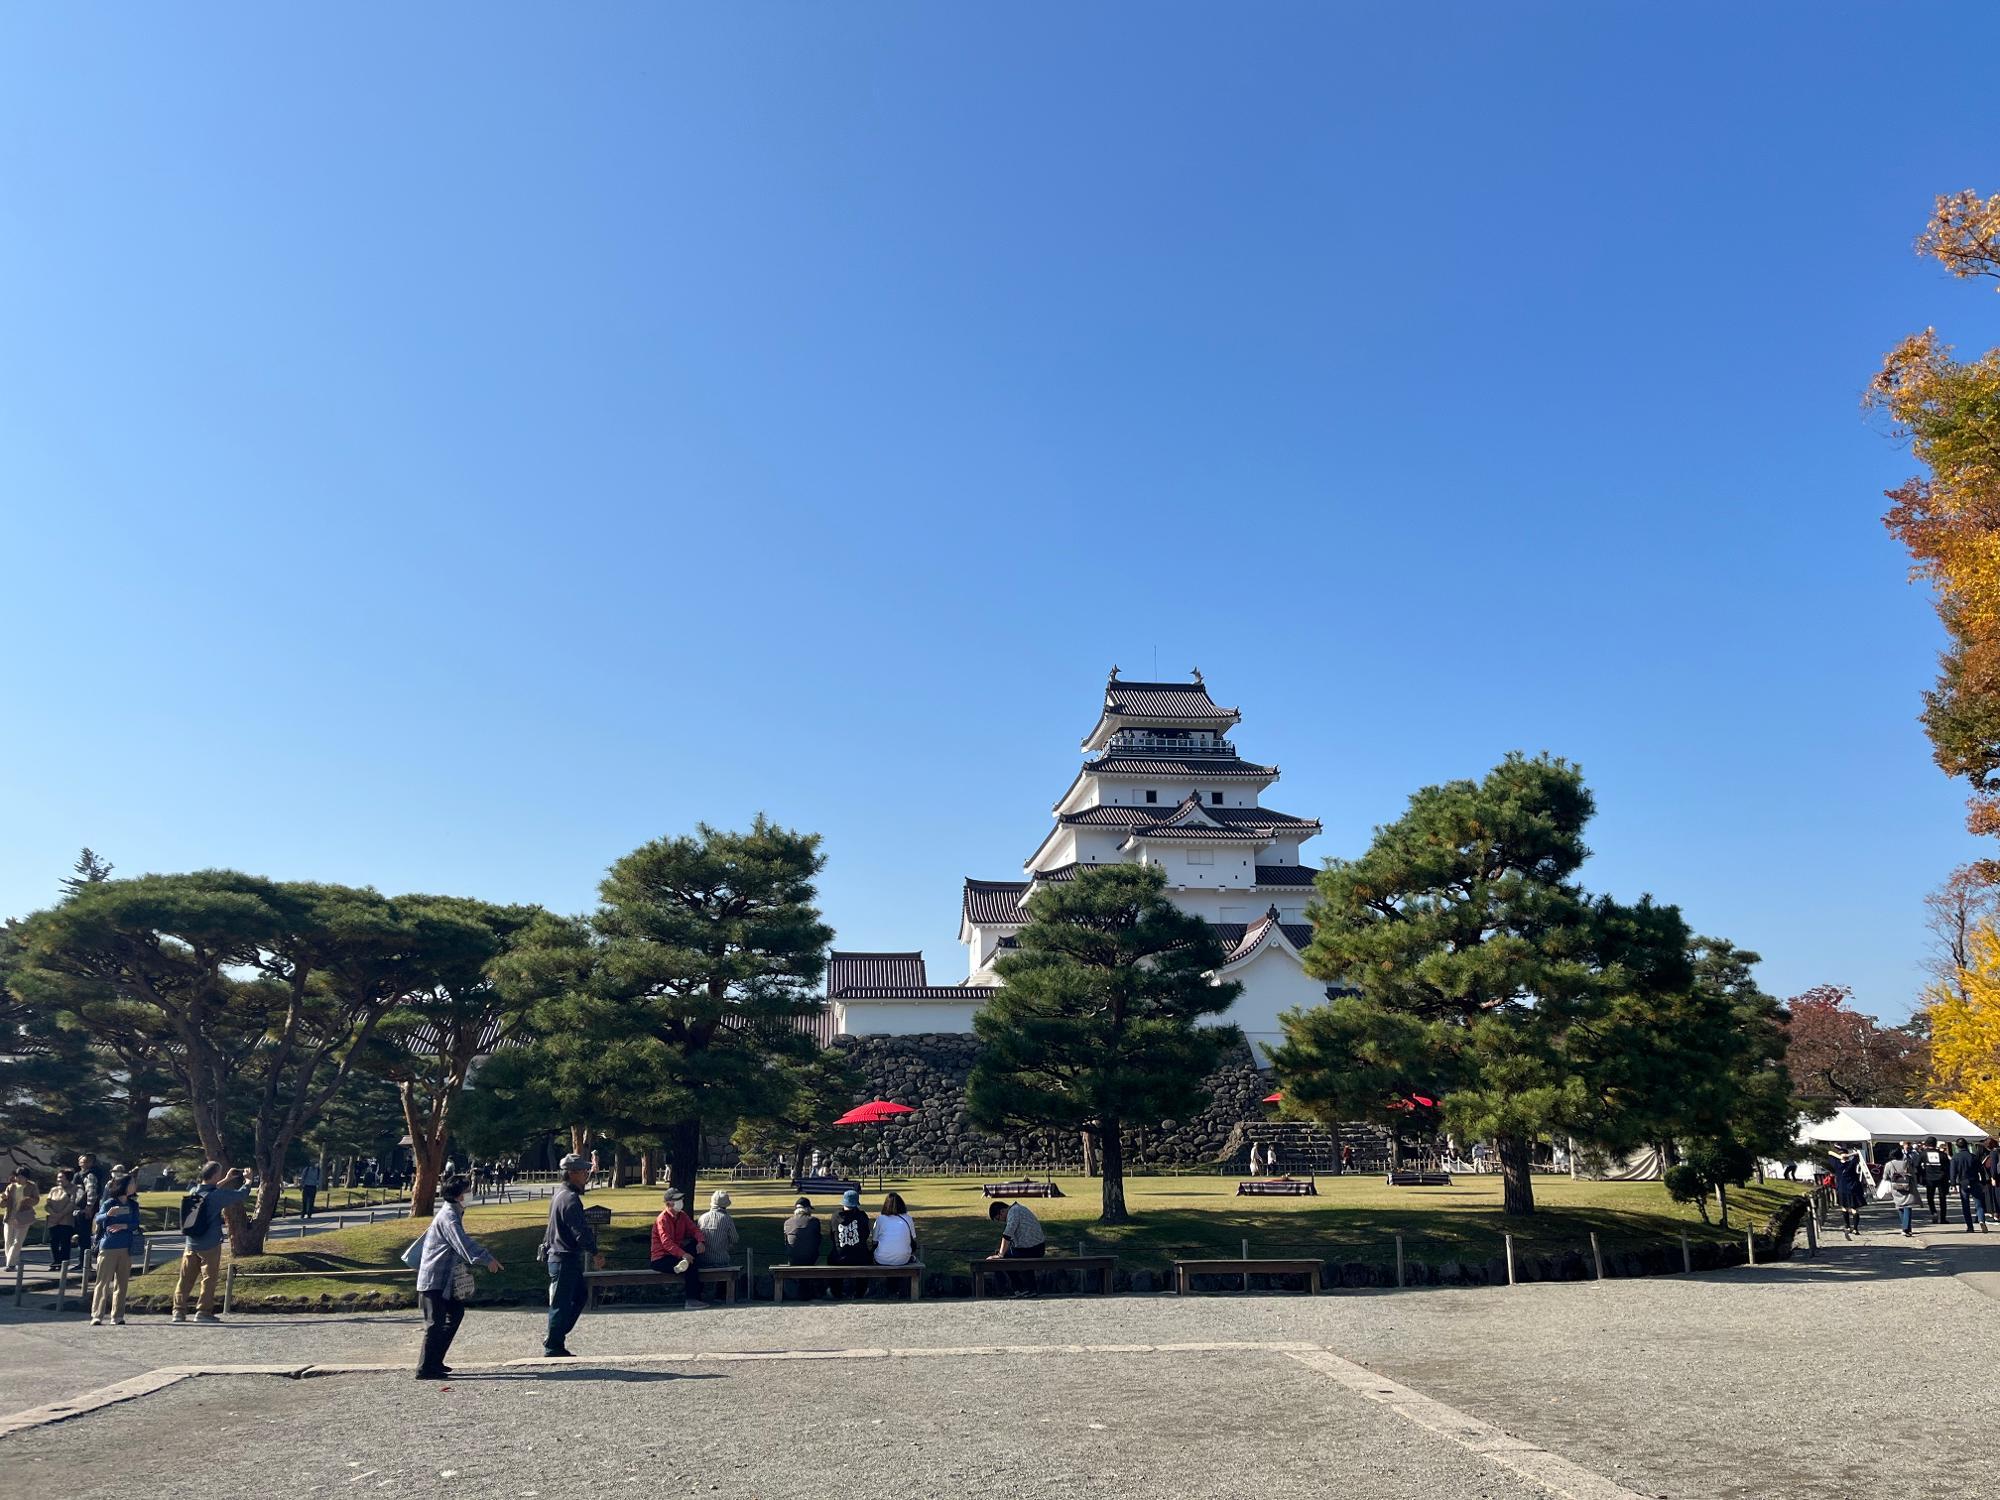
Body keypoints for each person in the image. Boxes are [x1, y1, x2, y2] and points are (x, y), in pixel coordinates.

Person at [414, 1176, 502, 1379]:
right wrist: (487, 1258)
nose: (470, 1193)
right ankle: (425, 1368)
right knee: (435, 1323)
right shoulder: (449, 1216)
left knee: (455, 1313)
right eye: (467, 1190)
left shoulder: (454, 1212)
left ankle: (435, 1361)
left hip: (445, 1280)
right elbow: (462, 1243)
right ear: (457, 1195)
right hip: (434, 1279)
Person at [539, 1153, 602, 1358]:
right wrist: (595, 1252)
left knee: (578, 1296)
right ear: (572, 1173)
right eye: (583, 1170)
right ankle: (553, 1343)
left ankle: (555, 1336)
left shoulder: (560, 1195)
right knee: (562, 1302)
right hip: (564, 1257)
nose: (586, 1174)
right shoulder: (570, 1199)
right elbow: (580, 1231)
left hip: (560, 1256)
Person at [174, 1162, 251, 1323]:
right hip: (209, 1243)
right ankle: (203, 1311)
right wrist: (248, 1181)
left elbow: (210, 1188)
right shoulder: (217, 1196)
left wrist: (226, 1179)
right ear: (215, 1175)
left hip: (190, 1243)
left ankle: (178, 1311)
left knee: (185, 1279)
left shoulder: (193, 1191)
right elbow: (240, 1195)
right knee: (208, 1279)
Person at [91, 1174, 143, 1326]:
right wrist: (108, 1214)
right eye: (132, 1183)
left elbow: (136, 1223)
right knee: (103, 1282)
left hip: (126, 1247)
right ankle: (97, 1315)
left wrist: (125, 1226)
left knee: (122, 1283)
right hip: (108, 1247)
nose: (134, 1186)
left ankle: (117, 1315)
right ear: (123, 1185)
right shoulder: (109, 1203)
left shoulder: (133, 1205)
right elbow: (98, 1219)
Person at [649, 1190, 708, 1309]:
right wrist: (684, 1254)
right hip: (661, 1258)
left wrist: (701, 1242)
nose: (681, 1202)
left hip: (676, 1255)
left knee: (692, 1253)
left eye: (681, 1199)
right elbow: (666, 1243)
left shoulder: (682, 1215)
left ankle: (681, 1266)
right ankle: (691, 1300)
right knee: (691, 1265)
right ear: (668, 1203)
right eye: (677, 1200)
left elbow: (694, 1229)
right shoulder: (662, 1219)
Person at [988, 1196, 1047, 1297]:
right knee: (1019, 1255)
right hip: (1038, 1247)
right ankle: (1031, 1289)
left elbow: (1007, 1233)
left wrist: (1000, 1254)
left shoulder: (1013, 1212)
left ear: (1002, 1211)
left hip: (1032, 1249)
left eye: (999, 1218)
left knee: (1004, 1257)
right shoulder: (1020, 1209)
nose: (1001, 1221)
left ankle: (1019, 1288)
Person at [829, 1188, 871, 1298]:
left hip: (839, 1257)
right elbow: (866, 1234)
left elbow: (832, 1237)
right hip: (859, 1257)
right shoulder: (862, 1216)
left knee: (832, 1258)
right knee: (865, 1256)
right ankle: (860, 1291)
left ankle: (836, 1291)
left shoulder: (835, 1216)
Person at [870, 1191, 919, 1274]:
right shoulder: (908, 1218)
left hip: (881, 1259)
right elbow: (913, 1238)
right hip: (903, 1259)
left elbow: (874, 1241)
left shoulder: (881, 1219)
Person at [3, 1169, 40, 1271]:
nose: (18, 1179)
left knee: (17, 1241)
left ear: (26, 1177)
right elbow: (3, 1203)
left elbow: (36, 1200)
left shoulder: (32, 1186)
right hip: (10, 1216)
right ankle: (12, 1262)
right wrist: (3, 1199)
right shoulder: (11, 1187)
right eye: (16, 1176)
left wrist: (27, 1200)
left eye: (20, 1177)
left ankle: (10, 1264)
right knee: (8, 1241)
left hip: (24, 1217)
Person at [1831, 1146, 1870, 1238]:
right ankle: (1855, 1228)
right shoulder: (1851, 1163)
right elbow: (1858, 1155)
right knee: (1853, 1209)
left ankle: (1848, 1226)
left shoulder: (1836, 1163)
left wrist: (1841, 1155)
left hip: (1843, 1189)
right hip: (1852, 1188)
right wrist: (1851, 1154)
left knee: (1845, 1208)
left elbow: (1830, 1154)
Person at [43, 1169, 78, 1271]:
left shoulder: (74, 1189)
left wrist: (61, 1215)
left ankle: (64, 1262)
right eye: (58, 1177)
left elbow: (72, 1204)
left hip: (66, 1220)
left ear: (68, 1178)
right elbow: (47, 1204)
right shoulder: (54, 1190)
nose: (59, 1179)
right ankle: (55, 1261)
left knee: (64, 1242)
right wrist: (53, 1214)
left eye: (61, 1177)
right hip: (53, 1220)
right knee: (54, 1242)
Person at [697, 1190, 739, 1273]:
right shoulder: (726, 1218)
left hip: (703, 1260)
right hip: (721, 1261)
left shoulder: (702, 1218)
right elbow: (735, 1239)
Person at [1951, 1140, 1990, 1233]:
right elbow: (1981, 1170)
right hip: (1975, 1181)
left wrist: (1953, 1184)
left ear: (1957, 1147)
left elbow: (1952, 1172)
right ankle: (1981, 1220)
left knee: (1966, 1205)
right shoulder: (1974, 1157)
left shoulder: (1955, 1158)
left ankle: (1970, 1227)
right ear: (1967, 1146)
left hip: (1963, 1183)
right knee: (1979, 1204)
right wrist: (1983, 1183)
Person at [1880, 1149, 1917, 1237]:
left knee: (1900, 1206)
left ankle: (1905, 1228)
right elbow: (1913, 1174)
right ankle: (1906, 1228)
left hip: (1895, 1187)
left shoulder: (1889, 1164)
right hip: (1907, 1186)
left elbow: (1885, 1177)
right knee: (1907, 1206)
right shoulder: (1906, 1163)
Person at [1916, 1137, 1950, 1223]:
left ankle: (1933, 1212)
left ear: (1927, 1144)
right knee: (1942, 1198)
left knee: (1930, 1197)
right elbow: (1948, 1167)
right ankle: (1943, 1218)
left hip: (1929, 1178)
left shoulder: (1923, 1154)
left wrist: (1922, 1174)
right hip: (1941, 1178)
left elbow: (1917, 1165)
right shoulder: (1942, 1154)